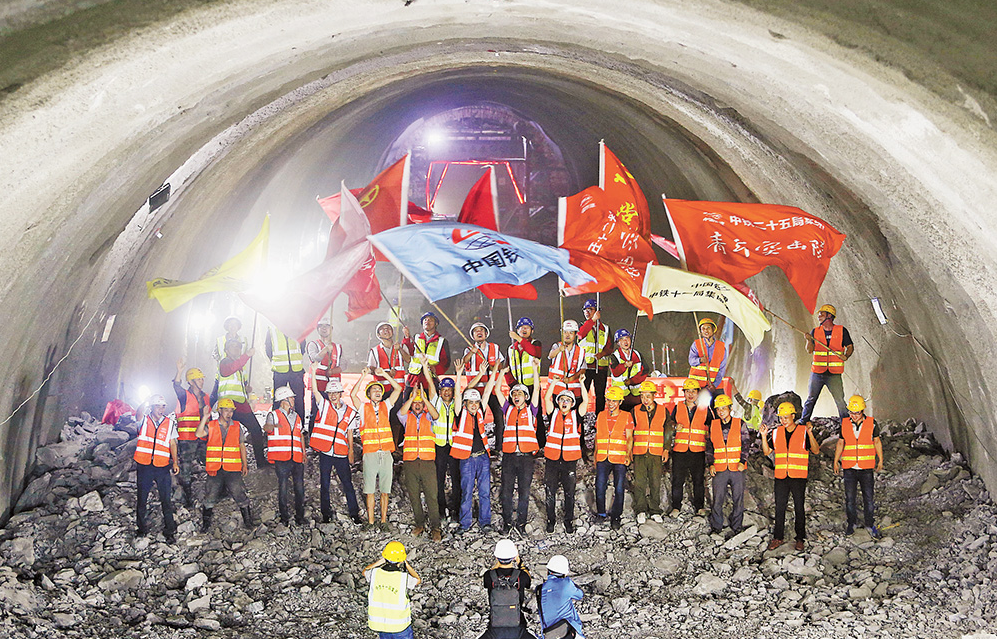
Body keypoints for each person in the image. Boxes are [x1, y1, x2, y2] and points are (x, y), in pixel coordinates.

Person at [760, 402, 821, 550]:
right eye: (781, 418)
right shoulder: (775, 432)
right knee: (779, 508)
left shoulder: (803, 431)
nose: (783, 420)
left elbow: (816, 450)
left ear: (793, 416)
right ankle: (777, 537)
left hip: (798, 476)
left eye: (786, 417)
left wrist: (811, 433)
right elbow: (767, 452)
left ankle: (800, 538)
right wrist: (763, 436)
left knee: (799, 508)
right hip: (781, 476)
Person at [350, 367, 404, 530]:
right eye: (373, 389)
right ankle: (371, 521)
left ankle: (383, 521)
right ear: (368, 394)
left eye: (379, 389)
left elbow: (399, 388)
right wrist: (363, 376)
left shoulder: (385, 406)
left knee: (385, 491)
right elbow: (352, 395)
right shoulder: (363, 408)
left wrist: (384, 375)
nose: (377, 391)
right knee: (370, 490)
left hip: (386, 453)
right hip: (371, 454)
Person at [307, 374, 363, 524]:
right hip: (325, 452)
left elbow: (350, 432)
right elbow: (315, 392)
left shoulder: (350, 412)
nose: (332, 396)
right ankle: (326, 513)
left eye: (335, 393)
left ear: (340, 394)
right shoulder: (324, 406)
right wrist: (313, 372)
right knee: (324, 483)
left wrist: (351, 451)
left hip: (340, 452)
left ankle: (354, 513)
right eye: (330, 393)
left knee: (347, 483)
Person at [451, 364, 501, 533]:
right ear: (465, 403)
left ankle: (485, 522)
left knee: (484, 492)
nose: (474, 405)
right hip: (467, 459)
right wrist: (459, 375)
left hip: (482, 457)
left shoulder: (480, 412)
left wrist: (493, 372)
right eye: (470, 402)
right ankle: (465, 524)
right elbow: (457, 395)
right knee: (467, 492)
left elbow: (487, 391)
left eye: (476, 402)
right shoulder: (460, 413)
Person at [195, 398, 254, 531]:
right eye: (226, 410)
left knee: (240, 494)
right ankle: (206, 525)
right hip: (215, 469)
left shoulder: (237, 426)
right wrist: (205, 417)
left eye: (231, 411)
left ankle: (248, 522)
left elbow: (241, 446)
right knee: (210, 496)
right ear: (219, 411)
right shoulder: (212, 425)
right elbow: (198, 433)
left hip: (233, 469)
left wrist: (245, 464)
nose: (229, 413)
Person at [494, 379, 541, 534]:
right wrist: (500, 373)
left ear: (525, 396)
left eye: (519, 393)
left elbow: (537, 390)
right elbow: (497, 390)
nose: (516, 395)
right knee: (506, 492)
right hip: (509, 457)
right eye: (513, 393)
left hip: (526, 458)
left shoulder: (531, 410)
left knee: (524, 492)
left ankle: (521, 523)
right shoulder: (507, 410)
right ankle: (507, 523)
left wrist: (535, 369)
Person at [542, 381, 590, 534]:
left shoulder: (576, 416)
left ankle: (568, 521)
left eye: (567, 400)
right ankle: (551, 521)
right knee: (550, 491)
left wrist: (582, 383)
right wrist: (554, 383)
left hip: (569, 461)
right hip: (552, 460)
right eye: (562, 399)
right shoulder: (553, 414)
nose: (564, 402)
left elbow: (586, 401)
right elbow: (546, 398)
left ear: (572, 404)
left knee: (569, 493)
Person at [397, 380, 443, 541]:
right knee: (414, 495)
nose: (417, 405)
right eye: (415, 403)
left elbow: (436, 414)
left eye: (419, 403)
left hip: (427, 462)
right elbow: (400, 413)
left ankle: (435, 527)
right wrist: (412, 397)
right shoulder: (406, 417)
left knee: (432, 495)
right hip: (410, 462)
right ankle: (419, 524)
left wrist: (424, 398)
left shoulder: (429, 417)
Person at [833, 395, 884, 537]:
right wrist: (836, 461)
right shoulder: (844, 423)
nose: (854, 416)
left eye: (857, 413)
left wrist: (880, 460)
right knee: (850, 498)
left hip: (866, 467)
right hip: (849, 468)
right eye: (851, 412)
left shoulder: (872, 424)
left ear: (862, 411)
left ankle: (869, 524)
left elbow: (877, 442)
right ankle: (852, 523)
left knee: (868, 498)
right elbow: (840, 443)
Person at [132, 394, 179, 543]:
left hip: (162, 466)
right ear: (152, 407)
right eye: (158, 406)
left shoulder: (169, 423)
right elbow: (138, 415)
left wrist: (175, 462)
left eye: (163, 406)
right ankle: (141, 529)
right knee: (142, 499)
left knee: (166, 499)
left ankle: (169, 530)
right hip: (145, 465)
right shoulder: (144, 421)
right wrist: (145, 400)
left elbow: (172, 443)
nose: (161, 409)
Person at [214, 339, 267, 468]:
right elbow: (228, 370)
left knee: (255, 429)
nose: (236, 349)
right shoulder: (225, 362)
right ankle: (222, 464)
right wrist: (247, 355)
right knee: (225, 435)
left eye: (238, 347)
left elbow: (239, 383)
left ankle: (260, 461)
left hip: (241, 405)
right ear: (226, 350)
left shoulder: (240, 367)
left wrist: (246, 388)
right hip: (228, 405)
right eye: (233, 347)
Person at [668, 378, 715, 516]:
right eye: (687, 391)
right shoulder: (678, 407)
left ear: (698, 393)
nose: (690, 394)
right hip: (680, 451)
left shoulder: (705, 409)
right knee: (677, 480)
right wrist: (675, 426)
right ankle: (676, 507)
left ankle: (699, 507)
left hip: (698, 451)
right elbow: (670, 423)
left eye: (693, 391)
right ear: (684, 393)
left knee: (698, 480)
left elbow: (713, 428)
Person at [801, 303, 854, 422]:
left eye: (822, 314)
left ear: (829, 316)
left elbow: (850, 346)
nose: (819, 316)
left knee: (840, 400)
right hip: (817, 373)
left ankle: (845, 424)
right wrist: (808, 341)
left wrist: (846, 355)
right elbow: (809, 350)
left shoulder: (841, 331)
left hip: (834, 374)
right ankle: (803, 422)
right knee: (811, 399)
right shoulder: (815, 332)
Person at [706, 394, 749, 535]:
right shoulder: (713, 425)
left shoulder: (740, 423)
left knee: (738, 498)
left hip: (737, 467)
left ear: (730, 408)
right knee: (717, 498)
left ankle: (737, 526)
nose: (721, 411)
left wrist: (743, 461)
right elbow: (709, 446)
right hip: (719, 468)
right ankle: (717, 526)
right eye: (718, 409)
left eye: (723, 408)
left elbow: (746, 444)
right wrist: (710, 464)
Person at [264, 385, 307, 525]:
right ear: (283, 400)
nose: (293, 399)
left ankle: (300, 517)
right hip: (281, 459)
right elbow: (268, 430)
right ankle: (284, 518)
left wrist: (304, 452)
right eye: (291, 398)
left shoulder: (297, 416)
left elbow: (300, 435)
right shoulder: (273, 415)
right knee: (283, 488)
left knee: (299, 488)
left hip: (296, 458)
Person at [593, 386, 634, 529]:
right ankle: (601, 513)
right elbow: (597, 437)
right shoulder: (601, 415)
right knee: (599, 486)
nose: (611, 403)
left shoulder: (626, 416)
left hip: (620, 458)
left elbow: (629, 438)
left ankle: (616, 516)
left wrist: (629, 455)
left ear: (620, 402)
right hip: (603, 457)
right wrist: (595, 455)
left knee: (619, 488)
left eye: (614, 401)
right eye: (609, 400)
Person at [424, 363, 461, 521]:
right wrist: (425, 366)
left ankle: (456, 509)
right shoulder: (436, 401)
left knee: (456, 478)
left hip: (453, 447)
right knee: (438, 479)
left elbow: (460, 393)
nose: (446, 392)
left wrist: (459, 374)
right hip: (439, 446)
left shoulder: (457, 404)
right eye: (444, 390)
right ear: (440, 391)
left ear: (453, 392)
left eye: (449, 390)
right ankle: (441, 509)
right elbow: (430, 383)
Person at [363, 540, 421, 639]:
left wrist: (380, 561)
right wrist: (407, 565)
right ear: (401, 560)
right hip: (400, 626)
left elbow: (365, 571)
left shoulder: (374, 573)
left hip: (380, 625)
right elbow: (417, 579)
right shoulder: (403, 578)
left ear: (385, 557)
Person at [631, 380, 672, 517]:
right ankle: (641, 510)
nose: (645, 399)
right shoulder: (635, 411)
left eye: (648, 396)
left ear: (654, 396)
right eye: (642, 396)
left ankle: (655, 510)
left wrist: (666, 449)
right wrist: (628, 452)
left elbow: (667, 431)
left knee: (655, 482)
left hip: (656, 452)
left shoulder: (663, 410)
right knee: (640, 482)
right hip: (639, 452)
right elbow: (630, 433)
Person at [549, 320, 588, 460]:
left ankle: (579, 445)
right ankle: (556, 445)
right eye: (565, 332)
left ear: (575, 335)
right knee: (555, 419)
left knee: (577, 420)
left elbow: (583, 368)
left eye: (570, 333)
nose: (567, 335)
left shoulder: (581, 351)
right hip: (558, 391)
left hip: (574, 391)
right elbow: (550, 356)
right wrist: (560, 350)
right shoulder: (557, 346)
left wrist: (572, 378)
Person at [481, 539, 535, 639]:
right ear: (514, 557)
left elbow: (491, 572)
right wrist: (519, 562)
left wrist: (498, 562)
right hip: (518, 624)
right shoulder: (521, 576)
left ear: (497, 557)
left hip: (495, 624)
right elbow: (528, 582)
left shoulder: (488, 576)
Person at [173, 358, 209, 508]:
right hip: (187, 439)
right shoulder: (184, 396)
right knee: (186, 468)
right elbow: (176, 386)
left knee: (210, 462)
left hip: (202, 438)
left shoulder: (205, 397)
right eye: (198, 379)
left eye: (201, 379)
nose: (201, 381)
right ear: (191, 381)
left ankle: (219, 490)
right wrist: (180, 371)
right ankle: (188, 497)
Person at [463, 321, 507, 442]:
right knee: (476, 419)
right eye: (476, 331)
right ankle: (477, 444)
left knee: (499, 417)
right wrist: (473, 352)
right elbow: (463, 362)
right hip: (475, 391)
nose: (479, 332)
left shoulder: (495, 347)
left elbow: (500, 365)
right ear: (473, 336)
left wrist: (495, 367)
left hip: (492, 390)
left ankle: (499, 447)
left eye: (481, 330)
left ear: (486, 333)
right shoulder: (469, 349)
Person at [506, 317, 544, 434]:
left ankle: (540, 442)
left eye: (527, 327)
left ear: (532, 330)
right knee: (513, 414)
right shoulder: (511, 348)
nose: (524, 329)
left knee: (536, 414)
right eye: (521, 327)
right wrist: (513, 385)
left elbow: (534, 352)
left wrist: (518, 339)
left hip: (532, 386)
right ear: (517, 330)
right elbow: (507, 368)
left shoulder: (536, 343)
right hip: (517, 388)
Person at [536, 555, 584, 639]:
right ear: (564, 573)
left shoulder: (539, 589)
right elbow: (580, 595)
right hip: (568, 631)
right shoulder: (566, 584)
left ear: (548, 571)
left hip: (549, 634)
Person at [306, 317, 343, 429]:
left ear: (331, 329)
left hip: (333, 387)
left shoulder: (338, 347)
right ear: (317, 329)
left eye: (327, 326)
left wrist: (333, 371)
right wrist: (326, 349)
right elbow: (315, 358)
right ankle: (312, 436)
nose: (324, 328)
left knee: (333, 412)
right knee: (316, 411)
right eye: (321, 326)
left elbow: (344, 364)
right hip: (318, 385)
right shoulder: (313, 344)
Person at [577, 299, 612, 415]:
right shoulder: (582, 326)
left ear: (597, 311)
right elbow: (581, 334)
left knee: (600, 395)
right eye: (585, 310)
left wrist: (602, 354)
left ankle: (599, 419)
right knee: (582, 393)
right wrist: (592, 320)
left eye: (590, 309)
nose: (587, 312)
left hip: (601, 367)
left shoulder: (605, 329)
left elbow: (610, 347)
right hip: (585, 367)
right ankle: (579, 418)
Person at [403, 312, 450, 396]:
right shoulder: (415, 338)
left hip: (430, 381)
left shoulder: (442, 341)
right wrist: (406, 338)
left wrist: (436, 368)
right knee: (407, 405)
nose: (427, 321)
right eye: (425, 319)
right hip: (413, 380)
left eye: (431, 320)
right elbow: (408, 353)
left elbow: (445, 362)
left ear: (436, 324)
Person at [266, 326, 306, 419]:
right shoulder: (272, 329)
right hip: (280, 371)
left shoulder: (298, 328)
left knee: (298, 400)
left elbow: (302, 345)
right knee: (277, 400)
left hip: (296, 371)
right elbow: (268, 348)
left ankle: (300, 426)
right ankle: (276, 425)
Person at [607, 328, 647, 412]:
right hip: (621, 398)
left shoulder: (637, 354)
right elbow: (615, 372)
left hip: (636, 397)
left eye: (627, 338)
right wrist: (624, 365)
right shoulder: (614, 356)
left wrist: (632, 381)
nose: (625, 341)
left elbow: (645, 370)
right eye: (622, 339)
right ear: (618, 342)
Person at [688, 317, 727, 393]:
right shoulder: (696, 344)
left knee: (720, 402)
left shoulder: (721, 347)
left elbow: (722, 369)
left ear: (713, 330)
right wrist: (700, 360)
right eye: (703, 328)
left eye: (708, 328)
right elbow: (691, 361)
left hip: (714, 386)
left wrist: (714, 385)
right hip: (696, 385)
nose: (705, 330)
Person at [367, 321, 409, 390]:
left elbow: (408, 360)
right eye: (382, 329)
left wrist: (400, 349)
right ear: (378, 334)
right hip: (382, 389)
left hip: (399, 389)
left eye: (388, 328)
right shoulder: (374, 351)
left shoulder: (401, 346)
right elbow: (371, 369)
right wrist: (386, 374)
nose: (386, 330)